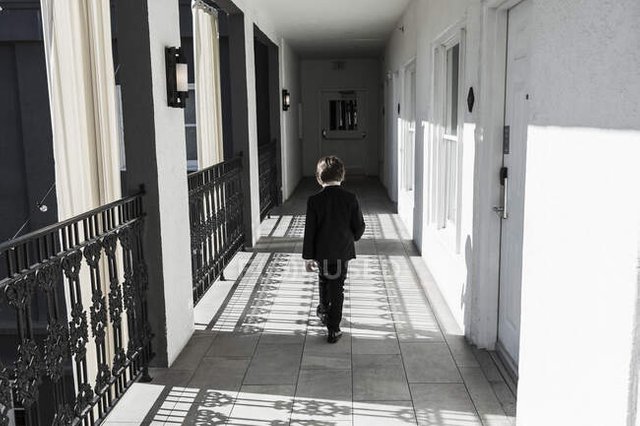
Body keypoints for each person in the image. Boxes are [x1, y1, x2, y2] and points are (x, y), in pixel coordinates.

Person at [302, 156, 366, 343]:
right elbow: (359, 226)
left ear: (319, 178)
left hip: (322, 253)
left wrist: (308, 257)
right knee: (337, 287)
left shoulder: (314, 201)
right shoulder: (350, 198)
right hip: (341, 252)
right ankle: (334, 328)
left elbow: (310, 231)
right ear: (342, 176)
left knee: (323, 279)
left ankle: (323, 309)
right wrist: (351, 237)